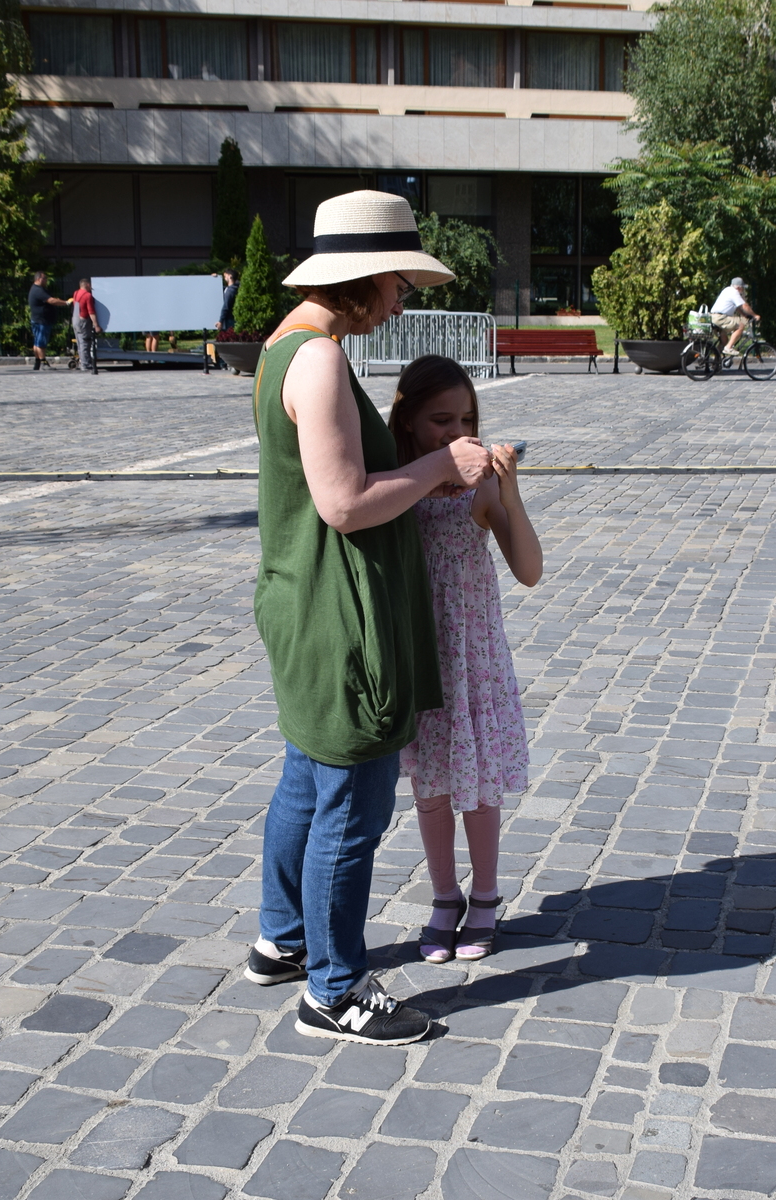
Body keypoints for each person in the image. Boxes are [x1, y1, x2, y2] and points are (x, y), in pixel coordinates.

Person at [245, 190, 492, 1047]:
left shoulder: (285, 346)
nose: (402, 301)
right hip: (340, 616)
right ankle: (335, 990)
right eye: (399, 284)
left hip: (303, 598)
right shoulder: (317, 360)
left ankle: (282, 939)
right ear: (364, 276)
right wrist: (440, 464)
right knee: (351, 803)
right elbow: (345, 504)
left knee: (306, 781)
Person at [386, 356, 541, 965]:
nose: (456, 432)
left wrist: (509, 493)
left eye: (467, 420)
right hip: (419, 653)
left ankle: (485, 896)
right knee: (429, 782)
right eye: (440, 420)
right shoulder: (393, 479)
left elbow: (528, 570)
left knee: (476, 783)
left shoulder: (477, 489)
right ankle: (444, 897)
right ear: (407, 421)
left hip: (471, 654)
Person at [28, 272, 70, 370]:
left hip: (37, 319)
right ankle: (43, 363)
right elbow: (51, 301)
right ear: (39, 279)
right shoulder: (38, 290)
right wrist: (66, 302)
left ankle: (37, 362)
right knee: (41, 342)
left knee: (37, 341)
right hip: (42, 320)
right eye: (45, 278)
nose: (46, 280)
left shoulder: (35, 289)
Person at [711, 277, 759, 356]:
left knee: (724, 341)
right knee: (740, 326)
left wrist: (744, 315)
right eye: (743, 287)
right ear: (738, 287)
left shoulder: (727, 290)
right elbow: (744, 306)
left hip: (714, 317)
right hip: (721, 318)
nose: (743, 289)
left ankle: (716, 360)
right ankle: (728, 348)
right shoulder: (734, 292)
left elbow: (736, 307)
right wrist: (755, 315)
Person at [72, 277, 101, 374]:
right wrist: (96, 325)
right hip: (83, 321)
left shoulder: (76, 293)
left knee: (80, 342)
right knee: (85, 342)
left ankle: (83, 362)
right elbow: (91, 312)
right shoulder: (87, 295)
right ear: (88, 285)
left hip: (75, 319)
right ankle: (85, 364)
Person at [219, 268, 238, 333]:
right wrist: (214, 279)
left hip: (229, 319)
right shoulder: (230, 288)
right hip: (230, 318)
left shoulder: (231, 291)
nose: (224, 276)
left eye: (226, 275)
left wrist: (220, 321)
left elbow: (226, 306)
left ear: (230, 276)